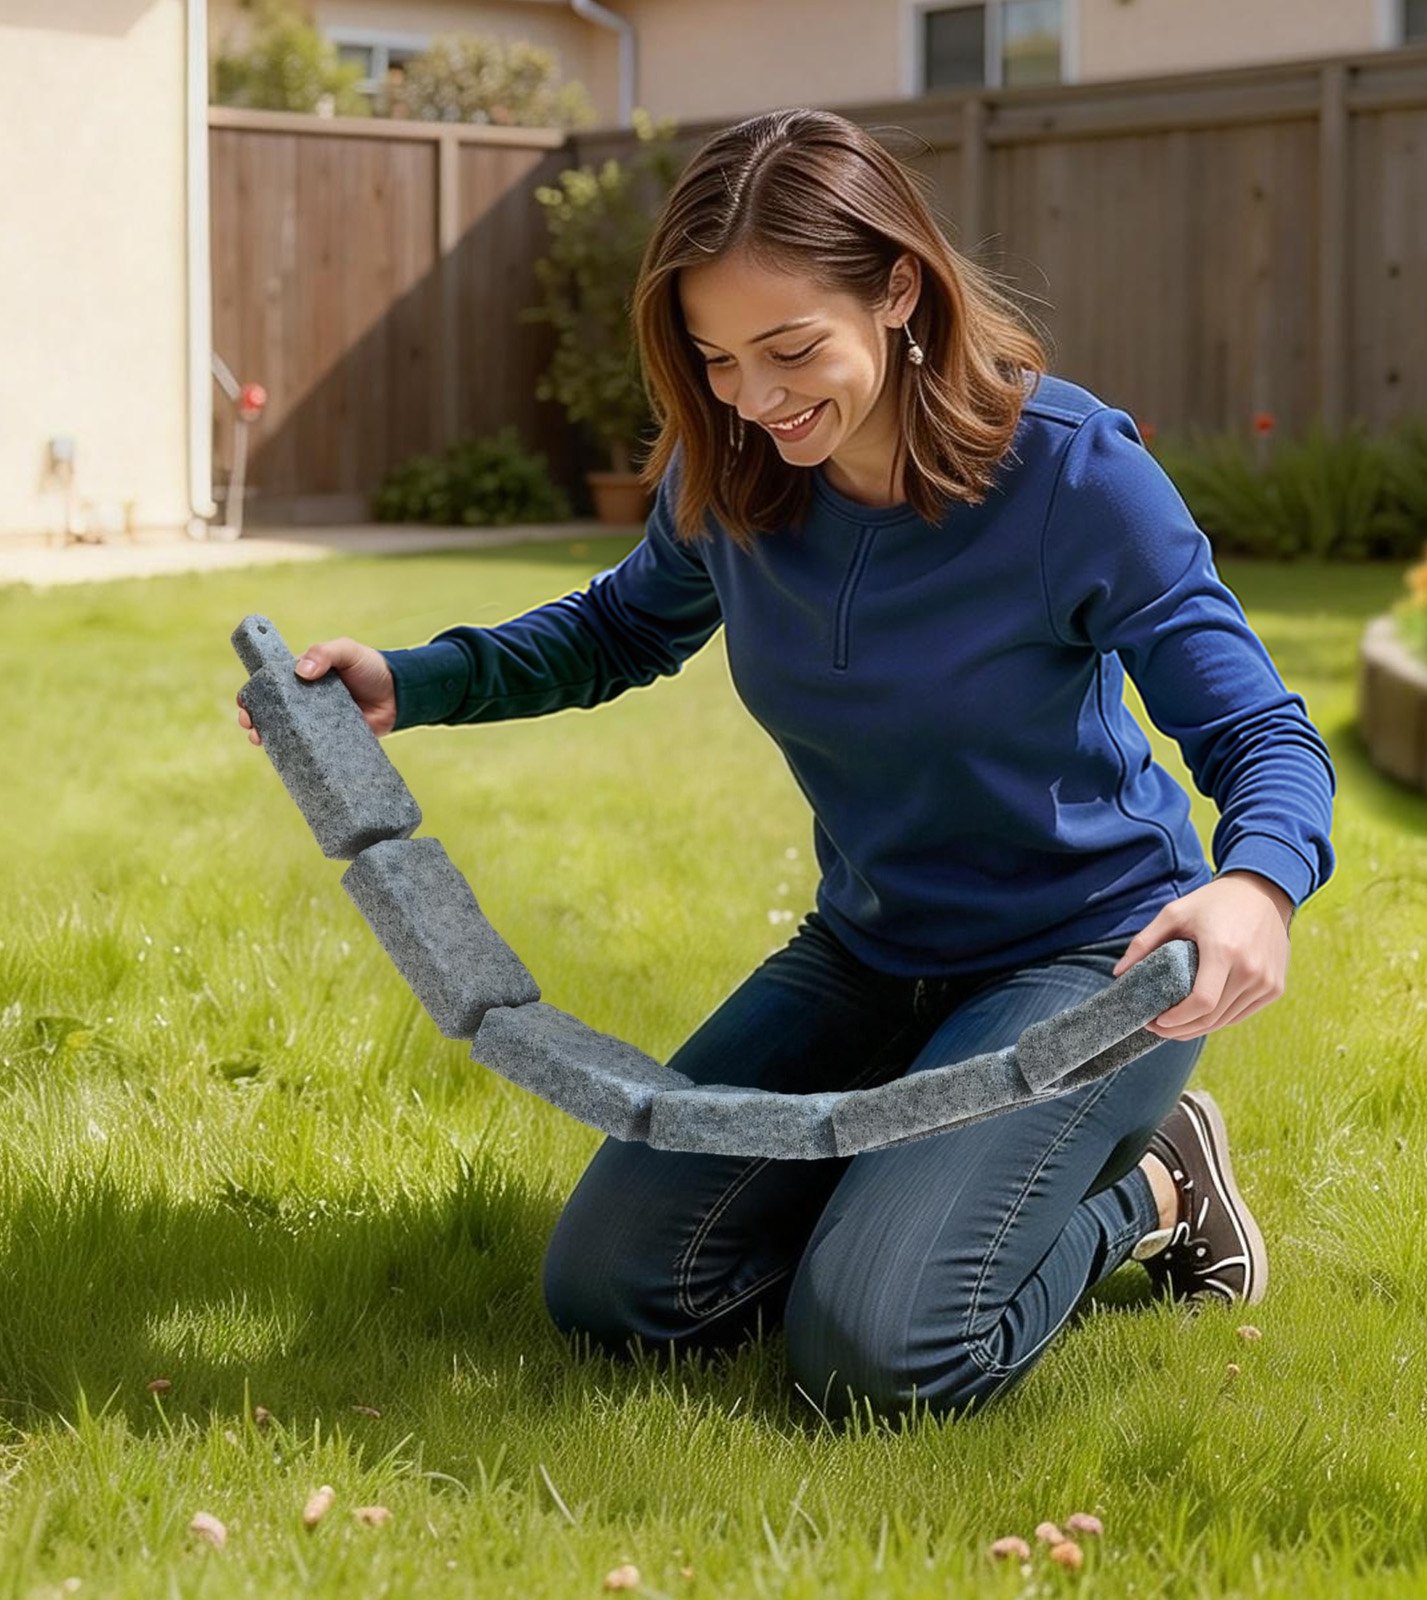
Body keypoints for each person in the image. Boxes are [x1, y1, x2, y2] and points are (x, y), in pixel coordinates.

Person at [236, 107, 1335, 1429]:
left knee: (879, 1359)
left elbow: (1259, 732)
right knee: (618, 1290)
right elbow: (621, 626)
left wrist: (1258, 885)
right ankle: (899, 1196)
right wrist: (412, 682)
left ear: (898, 292)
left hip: (1081, 964)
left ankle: (1154, 1186)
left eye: (788, 350)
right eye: (714, 361)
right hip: (868, 951)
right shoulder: (737, 467)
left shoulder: (1074, 481)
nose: (752, 397)